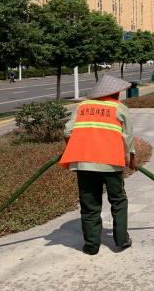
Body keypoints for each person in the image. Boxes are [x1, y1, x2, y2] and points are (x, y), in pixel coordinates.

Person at [59, 74, 136, 255]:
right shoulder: (119, 108)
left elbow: (68, 132)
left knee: (89, 203)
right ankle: (121, 240)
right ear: (113, 92)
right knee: (118, 200)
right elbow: (128, 138)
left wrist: (73, 148)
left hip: (84, 163)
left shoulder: (82, 106)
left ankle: (91, 245)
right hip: (111, 163)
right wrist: (132, 159)